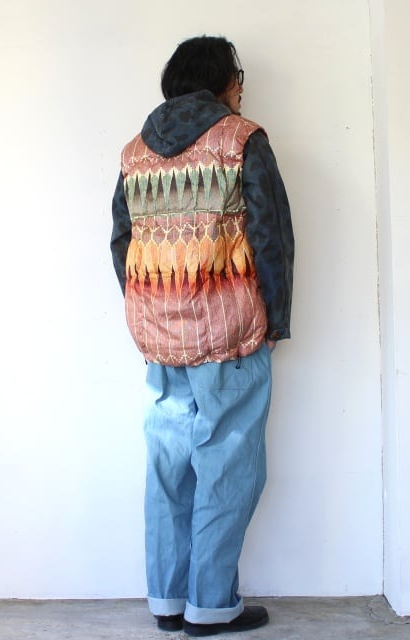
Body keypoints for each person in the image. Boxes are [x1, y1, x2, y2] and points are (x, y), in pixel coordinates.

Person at [110, 35, 294, 637]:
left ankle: (167, 600)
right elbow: (270, 235)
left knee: (168, 468)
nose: (242, 88)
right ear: (224, 81)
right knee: (228, 468)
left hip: (161, 339)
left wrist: (150, 309)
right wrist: (276, 320)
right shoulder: (241, 139)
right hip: (230, 334)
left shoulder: (135, 153)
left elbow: (122, 242)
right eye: (238, 77)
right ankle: (211, 605)